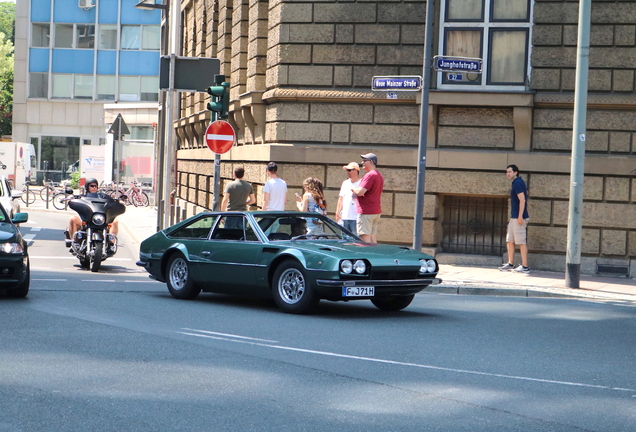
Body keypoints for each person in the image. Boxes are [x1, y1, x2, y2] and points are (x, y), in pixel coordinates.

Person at [65, 178, 119, 245]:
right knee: (72, 219)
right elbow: (73, 198)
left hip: (100, 219)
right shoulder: (82, 197)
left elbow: (111, 200)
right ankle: (74, 241)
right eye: (91, 186)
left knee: (115, 222)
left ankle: (111, 243)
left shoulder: (102, 197)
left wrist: (119, 201)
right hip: (85, 220)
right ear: (87, 187)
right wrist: (70, 197)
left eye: (95, 186)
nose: (94, 188)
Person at [499, 164, 530, 273]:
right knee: (510, 240)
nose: (508, 174)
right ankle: (510, 263)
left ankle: (525, 266)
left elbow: (522, 200)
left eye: (510, 172)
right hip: (514, 217)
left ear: (515, 172)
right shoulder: (517, 183)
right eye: (507, 172)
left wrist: (520, 216)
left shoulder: (517, 183)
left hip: (518, 217)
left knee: (521, 241)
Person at [352, 153, 384, 244]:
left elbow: (360, 192)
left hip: (366, 211)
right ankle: (375, 256)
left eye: (364, 161)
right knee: (372, 237)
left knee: (364, 237)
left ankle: (367, 256)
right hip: (375, 211)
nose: (362, 163)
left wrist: (354, 189)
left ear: (371, 162)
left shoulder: (370, 175)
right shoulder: (378, 175)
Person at [336, 162, 361, 234]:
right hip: (345, 217)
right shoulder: (345, 183)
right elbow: (341, 198)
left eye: (349, 170)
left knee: (356, 240)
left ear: (356, 170)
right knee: (345, 240)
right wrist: (337, 212)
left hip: (356, 217)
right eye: (347, 170)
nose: (347, 172)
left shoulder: (361, 183)